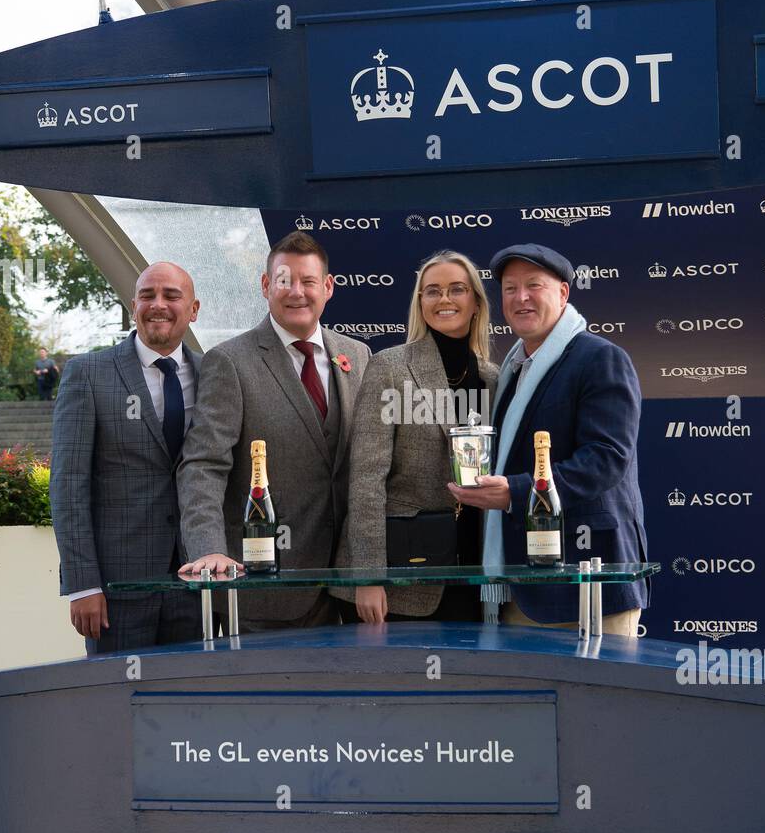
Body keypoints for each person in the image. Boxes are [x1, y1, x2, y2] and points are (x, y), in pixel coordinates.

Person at [451, 243, 650, 636]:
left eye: (533, 286)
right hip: (523, 585)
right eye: (510, 288)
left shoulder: (600, 358)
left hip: (589, 583)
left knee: (598, 697)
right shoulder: (512, 371)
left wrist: (517, 491)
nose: (520, 298)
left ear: (563, 293)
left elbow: (606, 459)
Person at [178, 231, 371, 631]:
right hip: (264, 584)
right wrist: (210, 551)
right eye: (284, 281)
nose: (296, 292)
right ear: (266, 286)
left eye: (308, 281)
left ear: (328, 288)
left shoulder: (357, 355)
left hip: (348, 588)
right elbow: (203, 465)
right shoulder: (229, 362)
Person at [333, 250, 498, 624]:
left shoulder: (493, 379)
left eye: (456, 289)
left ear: (475, 302)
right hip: (398, 579)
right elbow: (366, 478)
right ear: (420, 302)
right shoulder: (390, 368)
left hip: (471, 570)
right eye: (432, 291)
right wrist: (369, 577)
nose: (444, 299)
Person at [50, 262, 203, 654]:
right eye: (148, 296)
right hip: (117, 592)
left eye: (171, 295)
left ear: (193, 309)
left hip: (197, 587)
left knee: (192, 704)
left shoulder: (214, 375)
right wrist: (83, 584)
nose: (158, 305)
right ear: (133, 305)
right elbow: (68, 485)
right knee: (115, 705)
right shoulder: (88, 374)